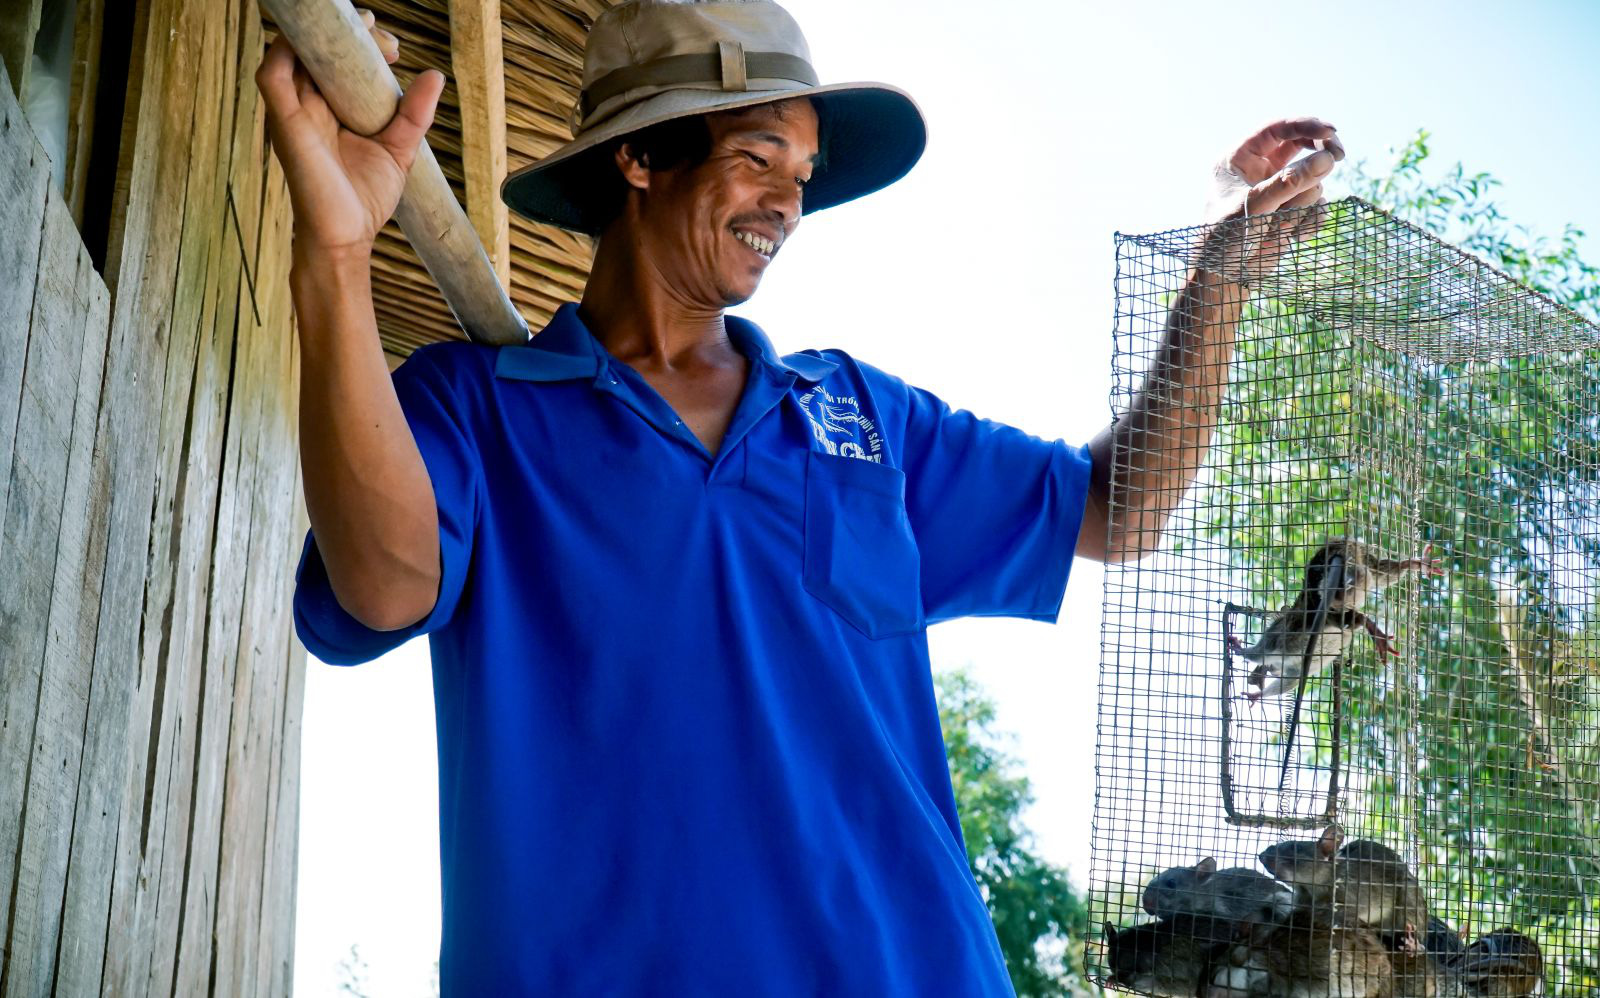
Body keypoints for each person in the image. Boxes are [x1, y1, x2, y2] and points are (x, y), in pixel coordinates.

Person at [257, 1, 1340, 993]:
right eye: (757, 156)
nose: (788, 200)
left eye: (804, 172)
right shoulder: (477, 411)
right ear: (638, 156)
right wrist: (336, 257)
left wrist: (1213, 281)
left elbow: (1122, 506)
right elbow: (387, 583)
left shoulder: (861, 417)